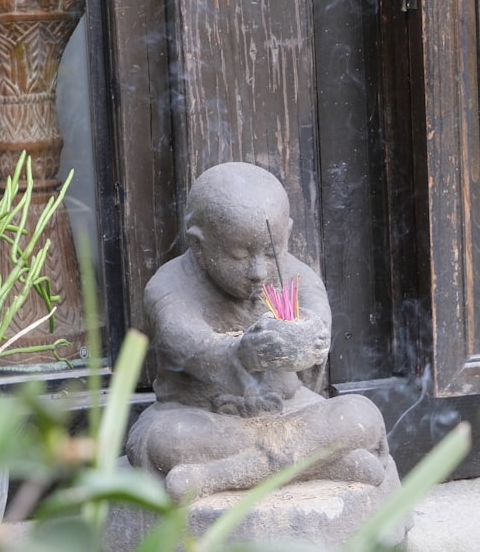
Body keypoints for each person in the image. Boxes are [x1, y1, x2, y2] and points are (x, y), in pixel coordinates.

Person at [125, 162, 391, 501]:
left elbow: (317, 325)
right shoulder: (168, 287)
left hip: (290, 414)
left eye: (270, 252)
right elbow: (189, 345)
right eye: (238, 255)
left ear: (288, 233)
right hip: (207, 422)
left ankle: (219, 478)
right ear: (198, 245)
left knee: (361, 416)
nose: (258, 271)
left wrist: (310, 340)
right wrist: (240, 354)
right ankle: (321, 463)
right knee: (167, 442)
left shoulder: (298, 277)